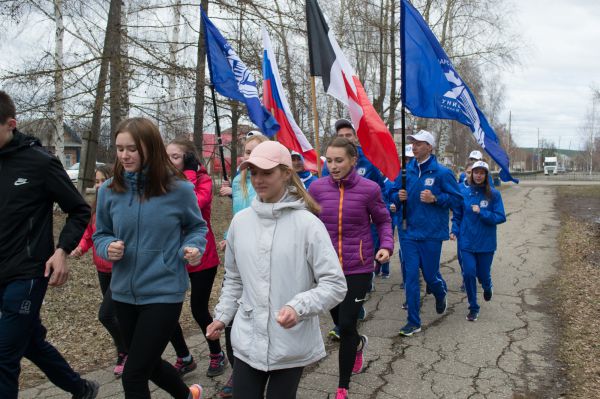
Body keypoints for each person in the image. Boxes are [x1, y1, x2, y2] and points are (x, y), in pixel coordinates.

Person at [206, 141, 347, 399]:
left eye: (267, 172)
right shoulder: (241, 222)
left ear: (285, 173)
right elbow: (235, 279)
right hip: (247, 339)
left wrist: (298, 306)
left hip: (289, 343)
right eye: (254, 173)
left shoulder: (307, 225)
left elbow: (335, 284)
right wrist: (223, 316)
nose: (258, 179)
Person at [93, 117, 207, 399]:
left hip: (164, 290)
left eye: (131, 148)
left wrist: (193, 247)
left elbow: (197, 227)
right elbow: (100, 234)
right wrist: (108, 246)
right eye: (119, 149)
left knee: (133, 374)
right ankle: (187, 395)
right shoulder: (109, 190)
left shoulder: (178, 189)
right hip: (122, 292)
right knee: (150, 364)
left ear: (151, 148)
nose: (124, 155)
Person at [0, 90, 98, 399]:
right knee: (28, 342)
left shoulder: (40, 162)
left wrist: (61, 250)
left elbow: (80, 210)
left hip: (28, 271)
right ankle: (81, 389)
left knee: (3, 355)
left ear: (10, 124)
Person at [309, 137, 393, 399]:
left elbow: (382, 220)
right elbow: (306, 222)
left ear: (353, 160)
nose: (333, 166)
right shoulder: (317, 188)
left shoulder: (369, 189)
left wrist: (387, 245)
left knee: (345, 323)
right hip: (327, 268)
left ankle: (342, 386)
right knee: (340, 324)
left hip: (359, 266)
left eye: (339, 160)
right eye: (329, 160)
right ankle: (357, 343)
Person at [392, 130, 463, 337]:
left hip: (431, 233)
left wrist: (436, 198)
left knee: (431, 276)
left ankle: (440, 294)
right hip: (408, 232)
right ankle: (413, 321)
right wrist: (397, 195)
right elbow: (391, 194)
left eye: (419, 143)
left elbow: (458, 200)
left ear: (430, 148)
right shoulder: (405, 172)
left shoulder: (442, 173)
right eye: (413, 143)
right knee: (411, 277)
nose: (414, 146)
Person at [166, 136, 227, 377]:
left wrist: (189, 174)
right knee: (166, 310)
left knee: (198, 309)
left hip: (202, 254)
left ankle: (216, 353)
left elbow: (190, 203)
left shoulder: (203, 180)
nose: (169, 162)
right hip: (172, 255)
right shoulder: (162, 182)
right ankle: (184, 357)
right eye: (166, 157)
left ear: (188, 160)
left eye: (175, 157)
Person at [216, 132, 269, 398]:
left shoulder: (268, 184)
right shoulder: (238, 179)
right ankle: (238, 370)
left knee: (258, 313)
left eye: (255, 152)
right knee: (230, 318)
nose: (249, 157)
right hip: (238, 256)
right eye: (247, 152)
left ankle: (263, 367)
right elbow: (240, 216)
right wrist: (228, 237)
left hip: (264, 258)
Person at [71, 164, 128, 377]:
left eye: (101, 180)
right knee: (118, 315)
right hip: (101, 269)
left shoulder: (118, 204)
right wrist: (80, 248)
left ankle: (126, 351)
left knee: (106, 315)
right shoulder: (96, 206)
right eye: (95, 181)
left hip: (119, 269)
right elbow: (90, 233)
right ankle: (126, 350)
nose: (97, 185)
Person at [451, 161, 506, 321]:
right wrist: (454, 230)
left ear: (486, 175)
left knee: (483, 274)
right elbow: (458, 215)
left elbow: (500, 217)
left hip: (486, 242)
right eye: (476, 172)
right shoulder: (462, 191)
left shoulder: (493, 194)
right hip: (466, 241)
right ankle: (473, 307)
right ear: (472, 174)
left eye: (482, 173)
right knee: (468, 273)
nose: (478, 175)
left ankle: (488, 286)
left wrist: (482, 212)